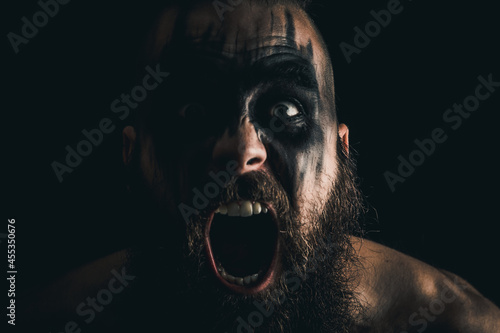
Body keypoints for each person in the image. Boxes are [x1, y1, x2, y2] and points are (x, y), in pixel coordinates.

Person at [21, 0, 500, 332]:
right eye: (192, 114)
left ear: (341, 154)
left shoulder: (451, 323)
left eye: (286, 114)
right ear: (131, 155)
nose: (241, 148)